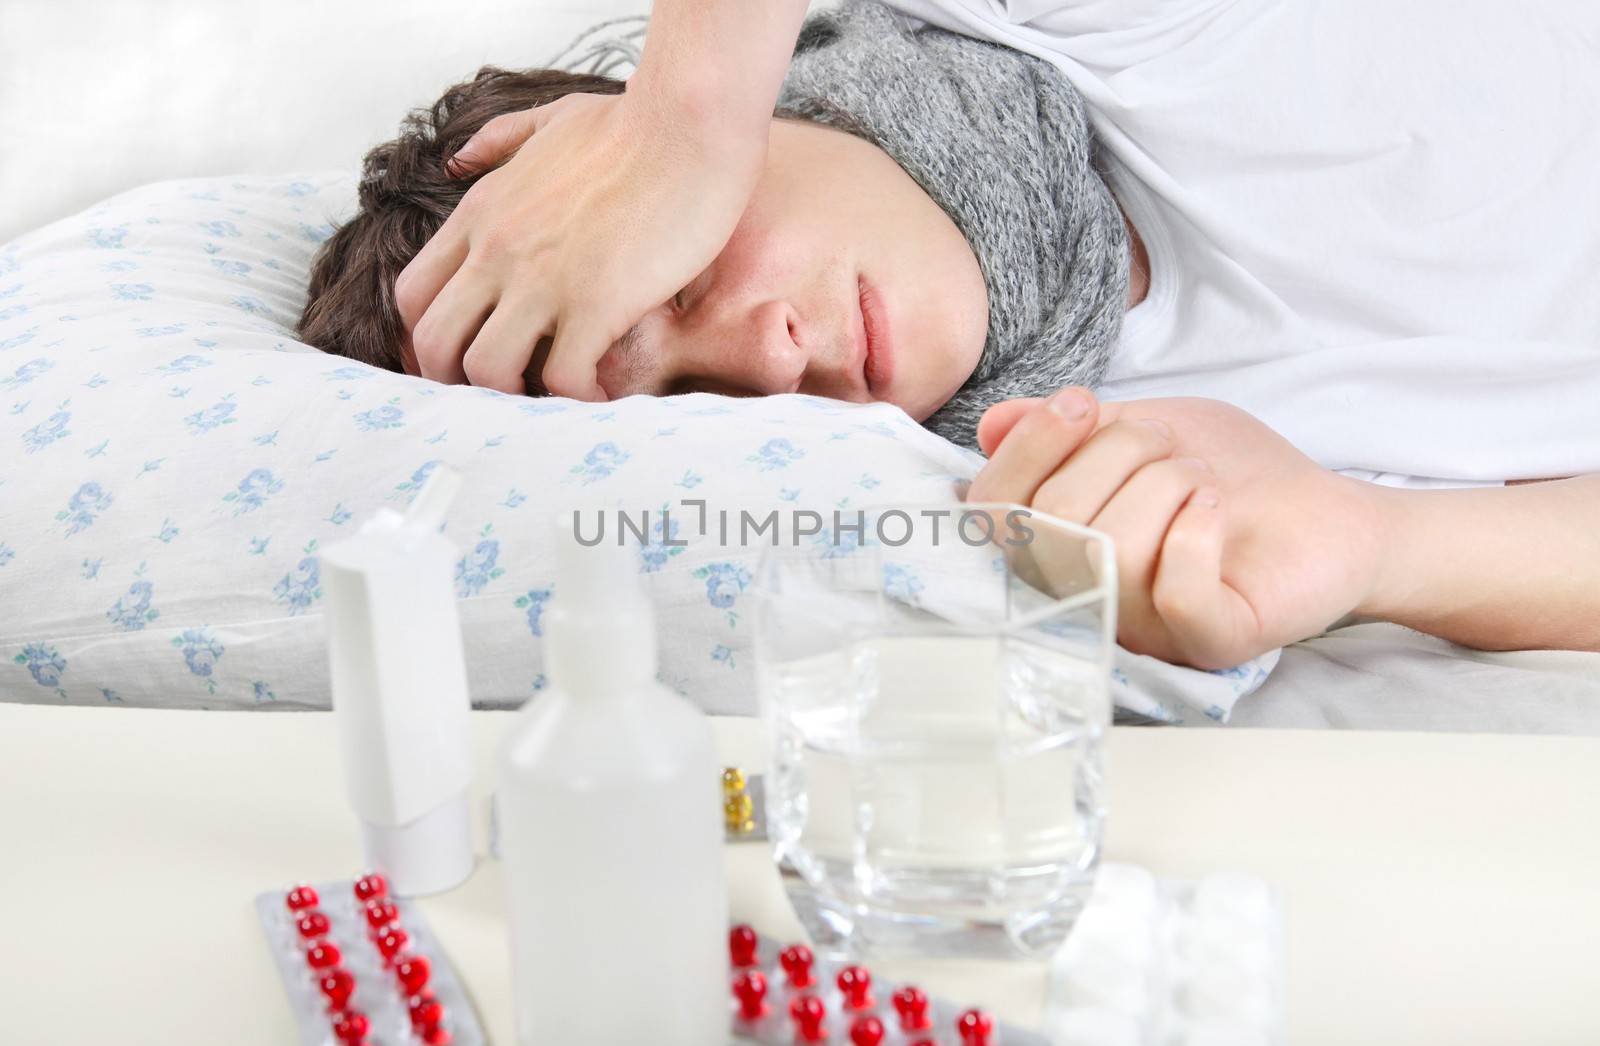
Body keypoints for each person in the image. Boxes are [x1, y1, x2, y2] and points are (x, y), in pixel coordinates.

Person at [302, 0, 1600, 670]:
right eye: (702, 405)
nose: (770, 362)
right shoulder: (1110, 474)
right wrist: (1381, 545)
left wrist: (688, 114)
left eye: (682, 280)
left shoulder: (1047, 28)